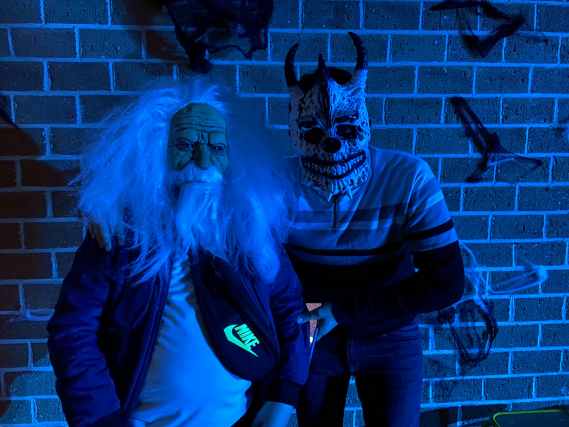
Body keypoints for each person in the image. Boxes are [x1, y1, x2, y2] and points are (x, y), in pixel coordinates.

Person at [46, 81, 309, 427]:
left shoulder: (251, 232)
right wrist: (100, 419)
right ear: (156, 151)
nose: (203, 160)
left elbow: (294, 310)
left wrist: (284, 396)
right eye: (185, 145)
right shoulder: (120, 235)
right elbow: (73, 330)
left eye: (217, 147)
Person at [284, 32, 466, 426]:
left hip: (389, 328)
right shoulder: (276, 185)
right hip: (313, 325)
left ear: (363, 123)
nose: (332, 146)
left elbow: (447, 281)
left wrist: (343, 311)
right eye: (315, 134)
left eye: (345, 130)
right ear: (297, 131)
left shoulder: (408, 177)